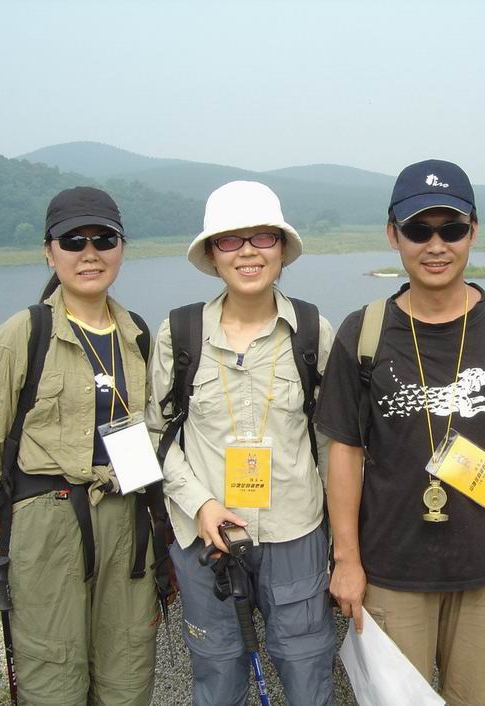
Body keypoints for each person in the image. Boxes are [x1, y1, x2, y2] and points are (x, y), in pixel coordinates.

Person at [316, 159, 485, 706]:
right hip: (391, 566)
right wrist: (347, 558)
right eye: (418, 230)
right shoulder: (365, 331)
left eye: (451, 229)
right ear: (393, 234)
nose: (435, 245)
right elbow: (345, 451)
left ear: (474, 231)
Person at [0, 186, 161, 704]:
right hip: (47, 522)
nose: (89, 253)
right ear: (50, 252)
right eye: (73, 241)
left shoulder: (136, 334)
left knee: (129, 671)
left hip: (127, 517)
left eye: (103, 240)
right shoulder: (23, 333)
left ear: (121, 248)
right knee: (53, 676)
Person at [146, 180, 336, 706]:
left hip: (295, 532)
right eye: (230, 240)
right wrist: (200, 503)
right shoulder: (179, 333)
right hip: (205, 537)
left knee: (308, 671)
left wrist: (344, 543)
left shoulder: (312, 331)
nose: (248, 252)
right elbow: (154, 433)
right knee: (216, 673)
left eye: (262, 237)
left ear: (282, 249)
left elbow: (333, 443)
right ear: (212, 254)